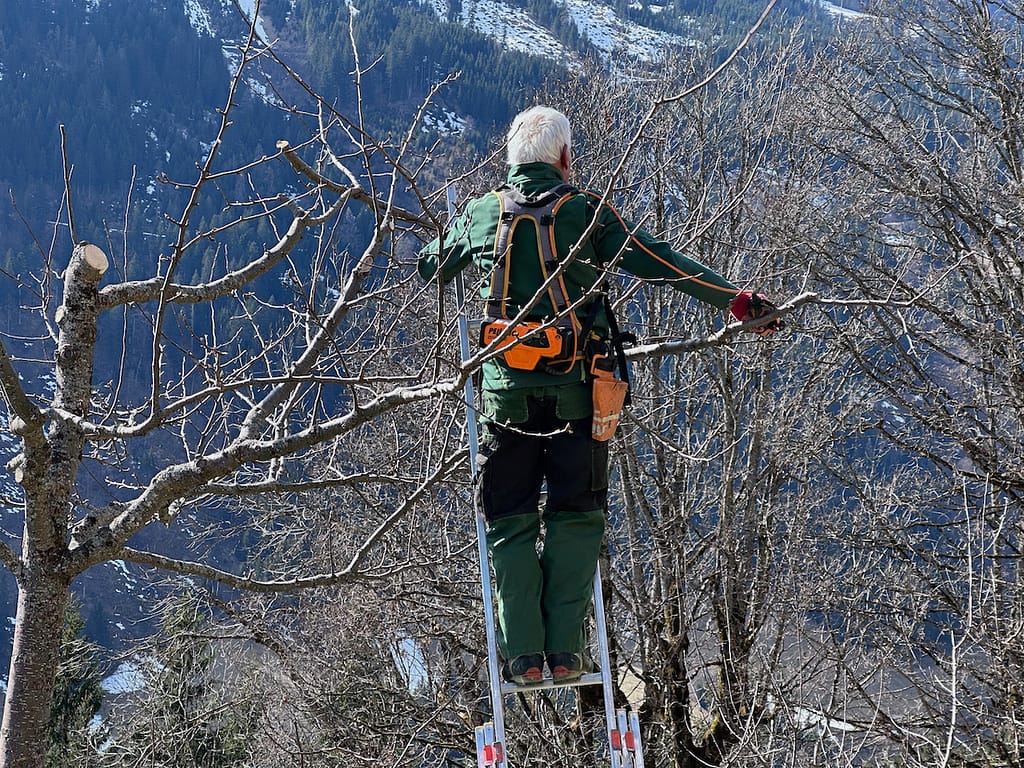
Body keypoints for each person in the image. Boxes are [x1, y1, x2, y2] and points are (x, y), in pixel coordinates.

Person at [418, 105, 780, 685]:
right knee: (575, 519)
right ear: (564, 159)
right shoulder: (586, 214)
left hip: (503, 402)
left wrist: (448, 240)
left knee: (508, 522)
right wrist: (739, 303)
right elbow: (661, 262)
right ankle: (565, 653)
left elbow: (431, 266)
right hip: (581, 402)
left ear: (512, 160)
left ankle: (522, 658)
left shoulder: (484, 212)